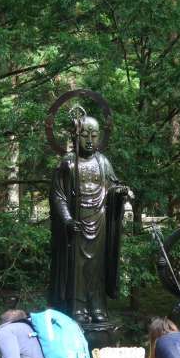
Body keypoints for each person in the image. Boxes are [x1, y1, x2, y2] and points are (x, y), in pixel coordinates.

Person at [48, 115, 130, 324]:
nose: (90, 140)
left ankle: (97, 305)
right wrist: (67, 220)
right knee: (77, 267)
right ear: (76, 136)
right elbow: (58, 195)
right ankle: (77, 307)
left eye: (94, 135)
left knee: (96, 267)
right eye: (85, 135)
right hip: (77, 222)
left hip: (99, 219)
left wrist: (119, 192)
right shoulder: (67, 163)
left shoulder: (103, 161)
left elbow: (112, 187)